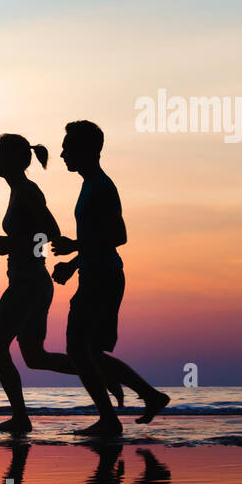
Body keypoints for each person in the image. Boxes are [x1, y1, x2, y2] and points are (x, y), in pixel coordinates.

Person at [0, 134, 123, 432]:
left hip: (27, 283)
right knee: (35, 357)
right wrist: (9, 244)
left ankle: (21, 418)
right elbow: (32, 239)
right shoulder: (18, 192)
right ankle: (100, 376)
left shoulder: (27, 191)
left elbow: (49, 233)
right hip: (31, 282)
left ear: (14, 160)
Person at [50, 121, 170, 436]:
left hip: (103, 277)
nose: (62, 153)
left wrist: (75, 250)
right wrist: (74, 262)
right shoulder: (89, 184)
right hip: (96, 273)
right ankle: (150, 397)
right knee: (88, 350)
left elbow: (118, 235)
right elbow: (99, 238)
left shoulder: (101, 186)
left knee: (78, 350)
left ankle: (109, 420)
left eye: (68, 146)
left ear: (88, 150)